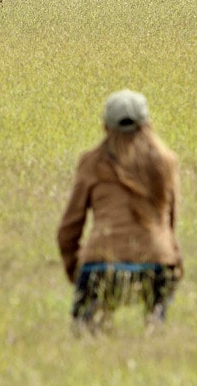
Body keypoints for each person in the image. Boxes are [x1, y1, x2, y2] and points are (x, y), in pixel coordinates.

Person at [57, 89, 182, 330]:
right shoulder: (166, 162)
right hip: (158, 262)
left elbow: (68, 229)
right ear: (148, 125)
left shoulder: (92, 163)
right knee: (155, 327)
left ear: (105, 127)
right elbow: (170, 221)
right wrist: (172, 257)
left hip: (101, 263)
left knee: (86, 333)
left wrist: (76, 270)